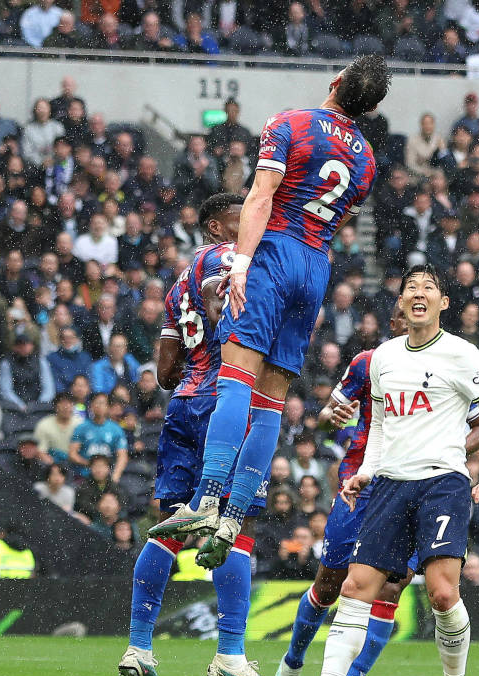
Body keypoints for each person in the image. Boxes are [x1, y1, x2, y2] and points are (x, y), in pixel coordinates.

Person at [148, 56, 388, 561]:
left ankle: (209, 500)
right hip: (316, 264)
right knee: (272, 400)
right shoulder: (366, 158)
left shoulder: (290, 122)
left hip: (273, 255)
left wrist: (241, 265)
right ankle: (234, 519)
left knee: (237, 378)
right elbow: (336, 217)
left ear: (336, 81)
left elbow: (260, 197)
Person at [291, 264, 479, 676]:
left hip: (442, 484)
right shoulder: (384, 358)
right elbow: (383, 426)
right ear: (402, 301)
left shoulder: (463, 354)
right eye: (411, 286)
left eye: (429, 287)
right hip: (389, 485)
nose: (419, 292)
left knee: (442, 595)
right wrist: (365, 472)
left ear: (443, 303)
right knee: (354, 588)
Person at [119, 194, 277, 676]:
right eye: (241, 218)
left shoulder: (174, 287)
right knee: (239, 523)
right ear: (215, 226)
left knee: (173, 525)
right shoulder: (224, 256)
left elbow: (165, 373)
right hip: (227, 402)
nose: (253, 223)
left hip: (185, 403)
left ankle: (139, 647)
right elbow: (223, 288)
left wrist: (197, 347)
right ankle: (230, 653)